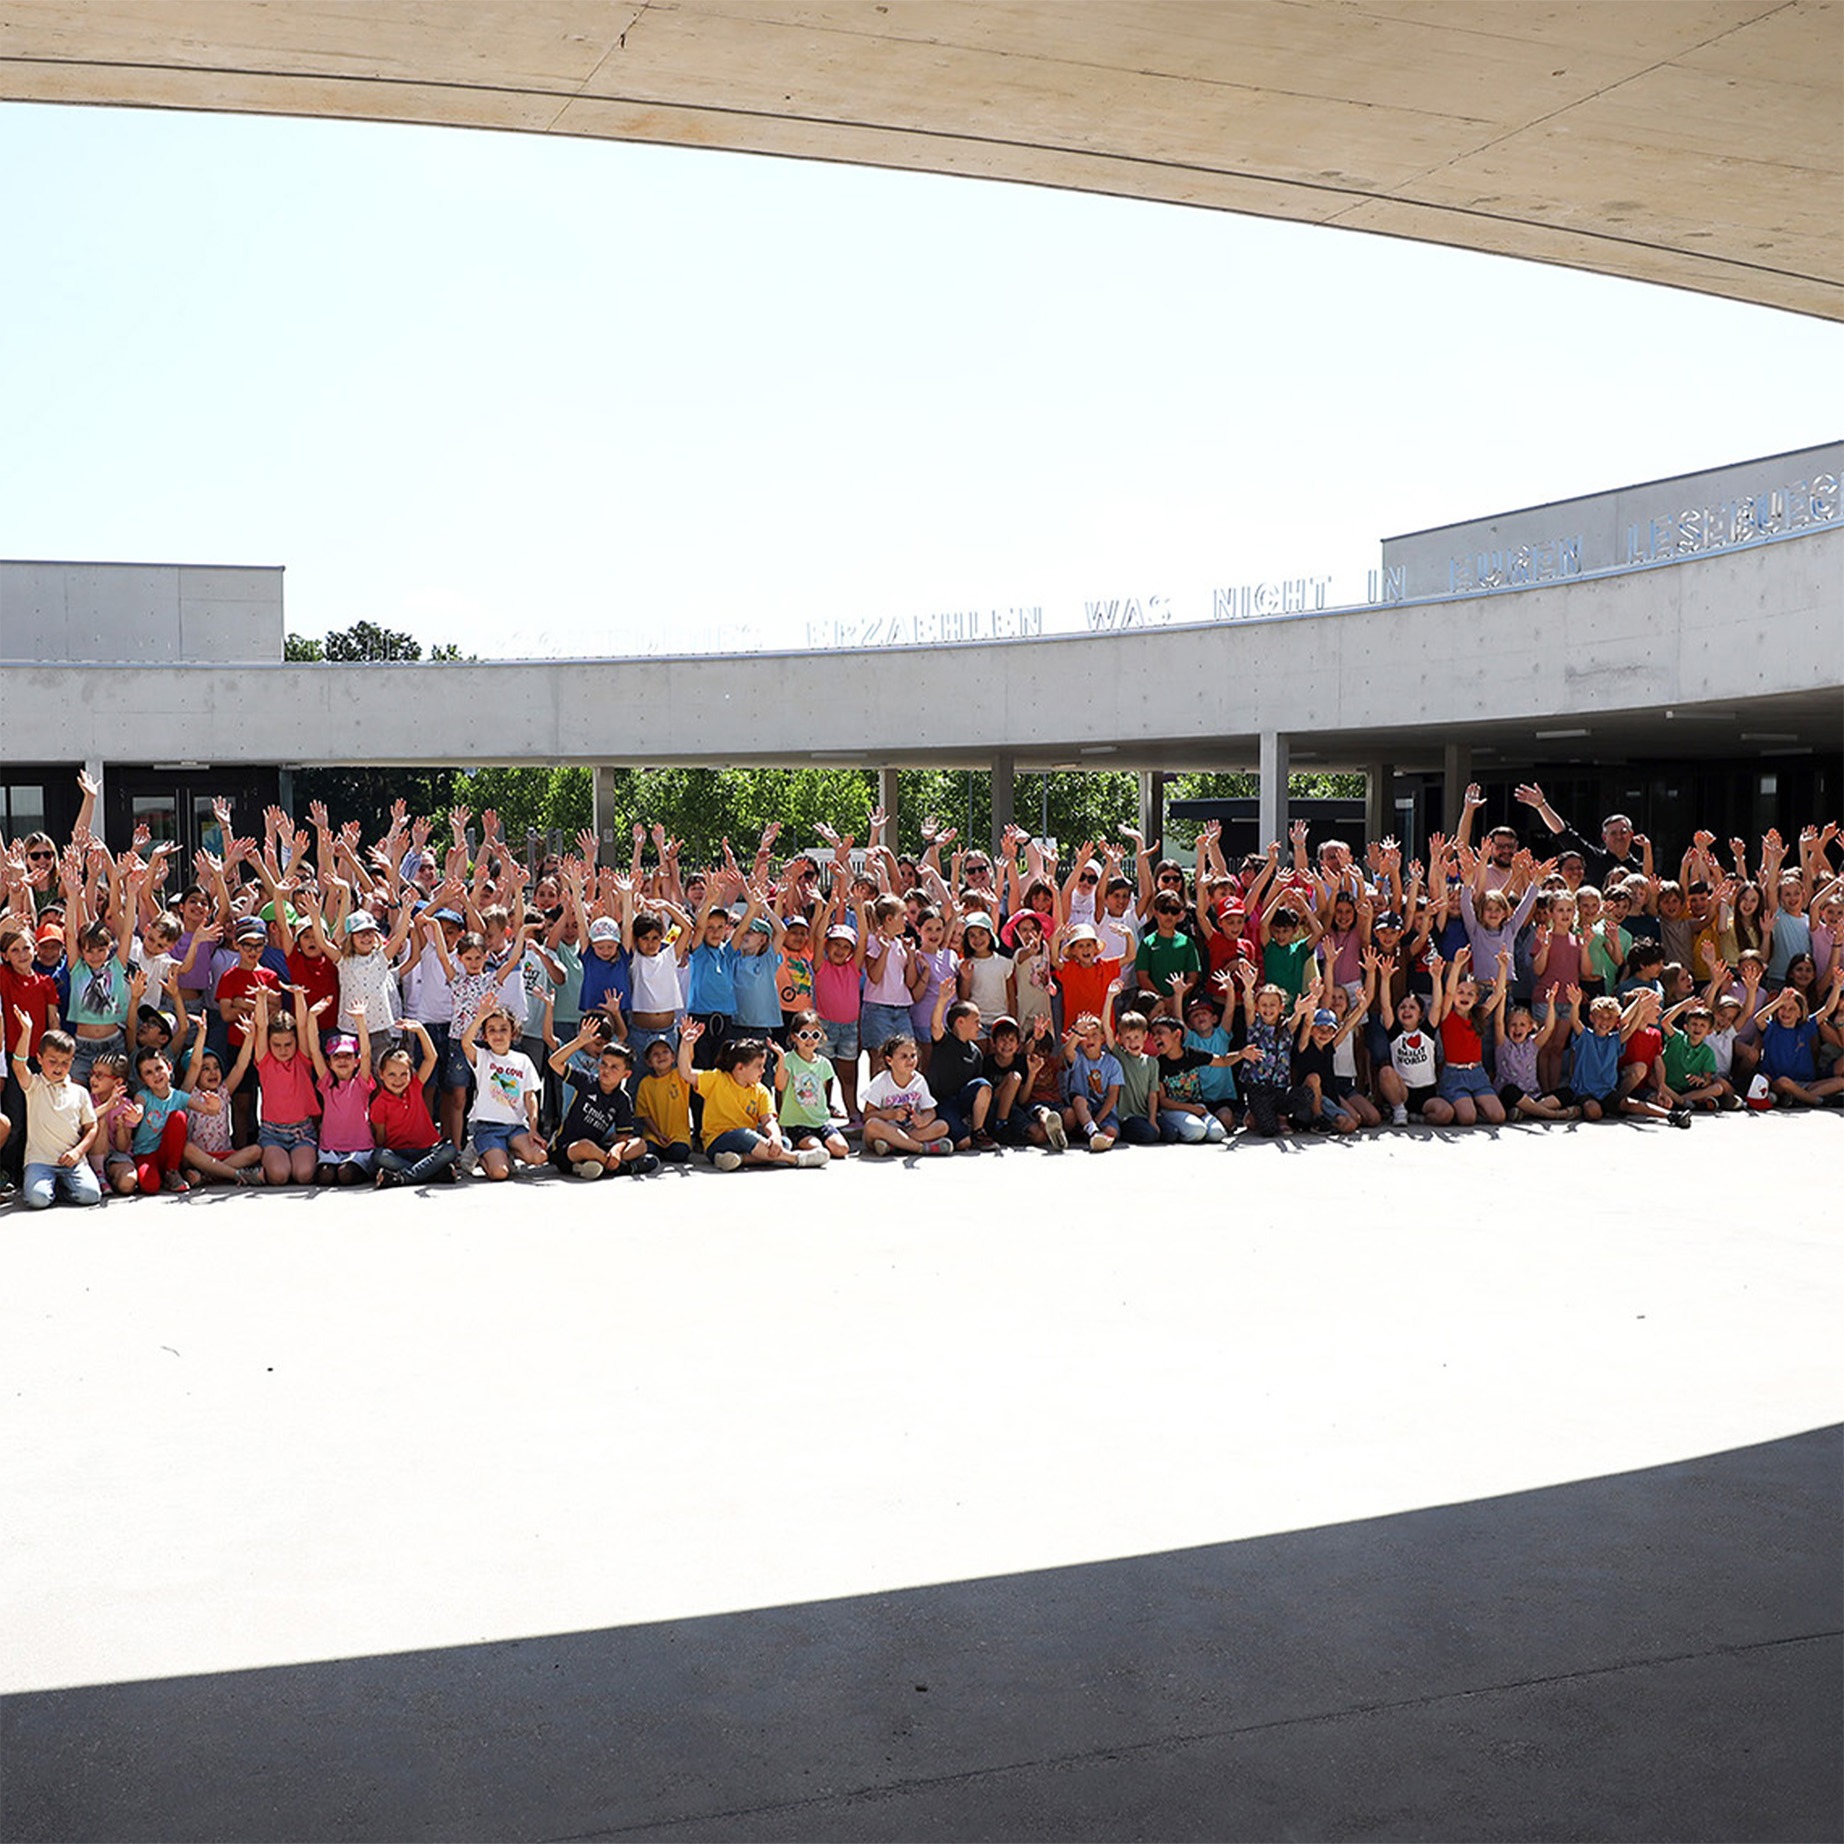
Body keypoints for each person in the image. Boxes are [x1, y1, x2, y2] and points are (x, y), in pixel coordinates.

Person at [680, 1021, 827, 1168]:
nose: (763, 1071)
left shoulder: (761, 1090)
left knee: (783, 1142)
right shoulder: (717, 1079)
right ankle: (796, 1159)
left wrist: (775, 1137)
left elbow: (768, 1120)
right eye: (759, 1066)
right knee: (743, 1135)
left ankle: (739, 1159)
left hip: (750, 1144)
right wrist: (686, 1044)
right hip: (717, 1142)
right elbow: (686, 1073)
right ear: (740, 1068)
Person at [9, 1014, 101, 1209]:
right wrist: (27, 1031)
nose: (59, 1067)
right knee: (37, 1199)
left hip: (73, 1163)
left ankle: (58, 1187)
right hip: (40, 1161)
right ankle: (46, 1186)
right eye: (52, 1061)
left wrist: (78, 1152)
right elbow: (18, 1066)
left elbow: (92, 1127)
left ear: (72, 1062)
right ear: (40, 1059)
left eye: (65, 1062)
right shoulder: (34, 1086)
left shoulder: (80, 1092)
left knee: (91, 1195)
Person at [460, 1002, 548, 1179]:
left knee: (540, 1157)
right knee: (499, 1173)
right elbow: (466, 1043)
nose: (498, 1034)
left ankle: (506, 1152)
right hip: (489, 1127)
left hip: (515, 1127)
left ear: (513, 1033)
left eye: (503, 1029)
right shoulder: (483, 1057)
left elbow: (530, 1097)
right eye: (491, 1030)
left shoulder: (522, 1060)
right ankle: (479, 1150)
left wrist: (533, 1128)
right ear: (485, 1036)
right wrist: (480, 1017)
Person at [550, 1038, 658, 1177]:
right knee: (585, 1146)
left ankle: (596, 1166)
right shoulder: (586, 1081)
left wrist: (617, 1151)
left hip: (598, 1148)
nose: (606, 1070)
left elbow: (624, 1136)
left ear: (626, 1074)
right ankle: (624, 1168)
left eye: (614, 1067)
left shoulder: (623, 1099)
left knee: (640, 1144)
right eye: (603, 1064)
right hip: (568, 1150)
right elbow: (554, 1062)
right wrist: (579, 1041)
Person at [371, 1023, 460, 1186]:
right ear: (381, 1075)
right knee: (378, 1155)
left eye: (403, 1074)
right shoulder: (379, 1103)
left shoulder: (415, 1086)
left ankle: (404, 1177)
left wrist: (420, 1030)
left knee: (450, 1150)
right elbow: (381, 1138)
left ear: (410, 1074)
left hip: (427, 1150)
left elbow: (431, 1057)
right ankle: (432, 1173)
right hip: (398, 1153)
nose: (398, 1080)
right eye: (391, 1074)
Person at [860, 1033, 953, 1157]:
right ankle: (921, 1148)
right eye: (904, 1056)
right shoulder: (881, 1081)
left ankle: (895, 1145)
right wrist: (891, 1114)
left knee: (942, 1126)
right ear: (889, 1060)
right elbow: (867, 1115)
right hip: (887, 1130)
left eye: (913, 1056)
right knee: (872, 1126)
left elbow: (930, 1111)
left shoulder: (919, 1080)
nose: (910, 1060)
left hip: (911, 1130)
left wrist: (923, 1120)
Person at [775, 1012, 849, 1158]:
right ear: (794, 1037)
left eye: (815, 1035)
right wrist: (781, 1058)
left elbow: (824, 1091)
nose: (809, 1040)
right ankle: (798, 1142)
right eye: (804, 1035)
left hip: (820, 1122)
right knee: (817, 1148)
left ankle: (808, 1145)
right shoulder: (789, 1060)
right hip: (797, 1123)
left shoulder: (824, 1063)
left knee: (841, 1149)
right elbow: (780, 1086)